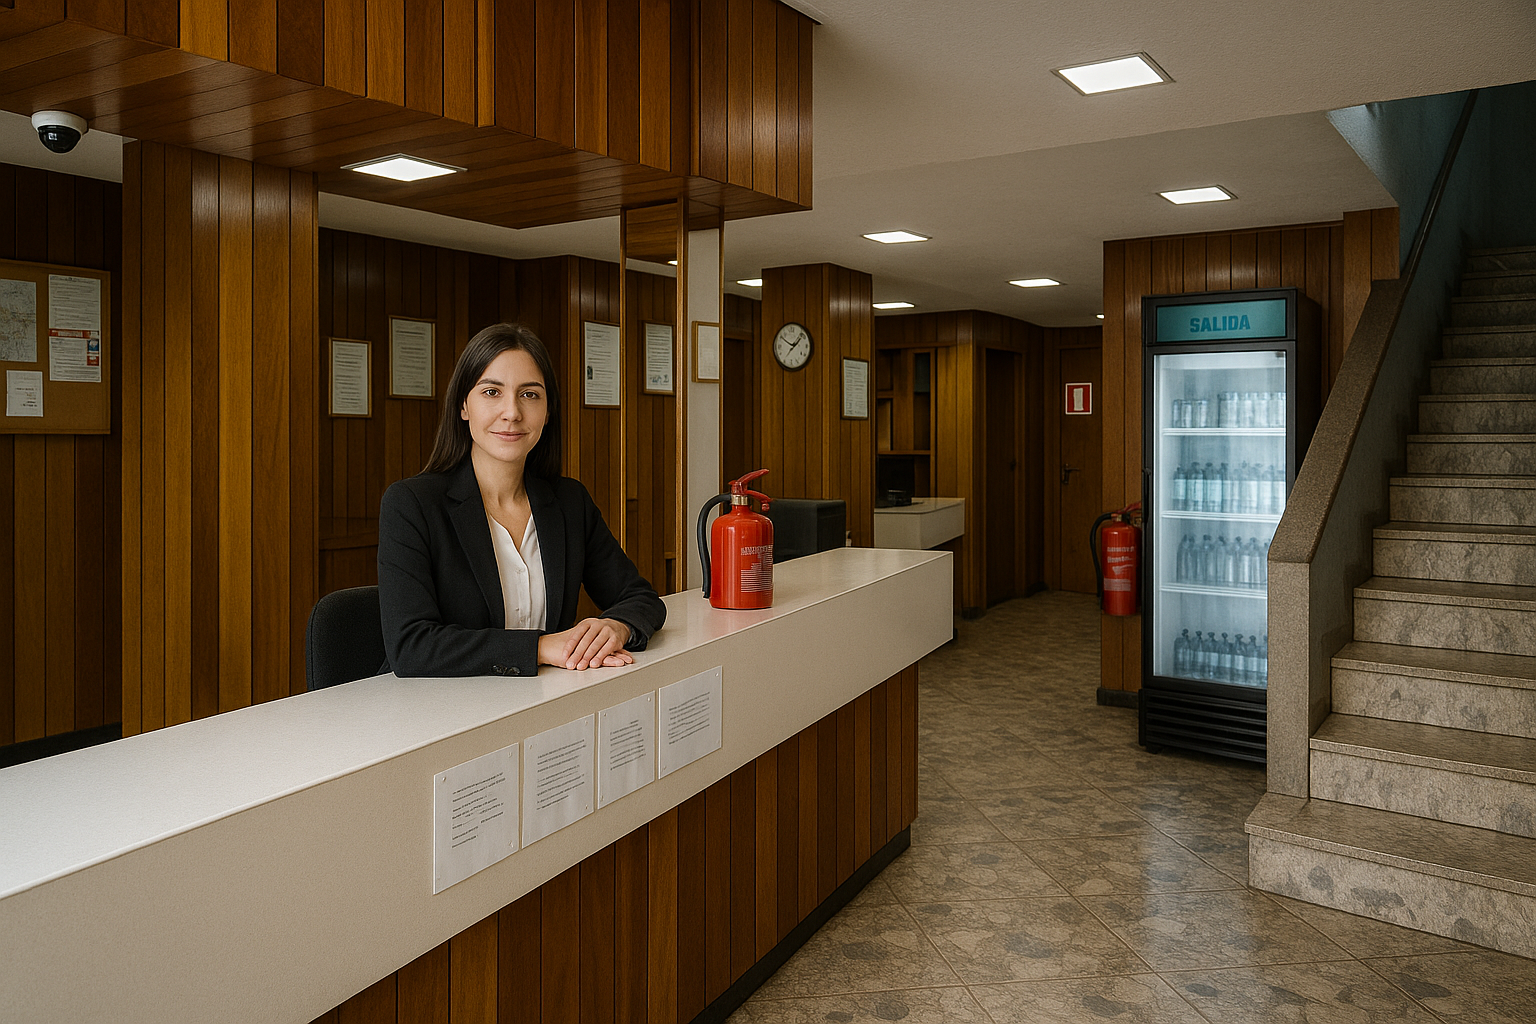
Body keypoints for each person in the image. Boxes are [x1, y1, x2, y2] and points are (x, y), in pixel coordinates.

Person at [378, 323, 665, 677]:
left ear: (548, 412)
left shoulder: (569, 502)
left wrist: (617, 627)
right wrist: (541, 647)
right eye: (491, 392)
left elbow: (641, 598)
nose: (512, 412)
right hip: (437, 714)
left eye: (529, 394)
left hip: (538, 705)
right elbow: (411, 646)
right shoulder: (412, 504)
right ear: (463, 406)